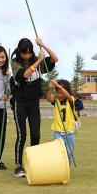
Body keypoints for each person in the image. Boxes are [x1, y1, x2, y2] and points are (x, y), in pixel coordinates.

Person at [11, 37, 58, 177]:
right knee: (21, 135)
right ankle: (19, 165)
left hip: (33, 103)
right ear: (19, 52)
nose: (26, 56)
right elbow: (24, 75)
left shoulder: (37, 59)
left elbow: (55, 59)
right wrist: (38, 60)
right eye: (24, 53)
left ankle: (34, 161)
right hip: (20, 102)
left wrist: (42, 45)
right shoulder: (15, 63)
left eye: (29, 53)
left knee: (36, 134)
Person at [47, 79, 80, 166]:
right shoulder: (56, 100)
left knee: (69, 152)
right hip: (57, 131)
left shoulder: (71, 99)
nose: (59, 95)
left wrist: (58, 85)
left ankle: (67, 167)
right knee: (58, 151)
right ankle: (59, 167)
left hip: (69, 132)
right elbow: (49, 99)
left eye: (61, 93)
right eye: (57, 92)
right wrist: (50, 89)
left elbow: (67, 95)